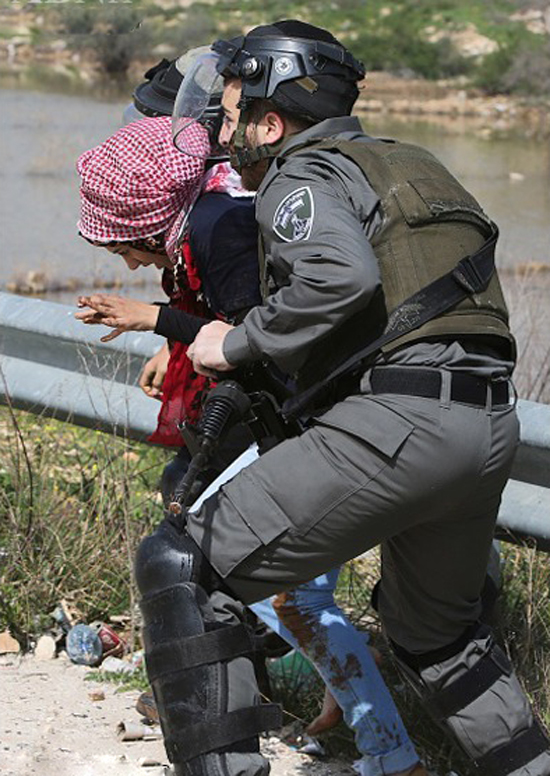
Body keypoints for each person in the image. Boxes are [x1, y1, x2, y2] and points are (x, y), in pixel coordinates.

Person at [131, 18, 550, 776]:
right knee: (442, 638)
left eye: (230, 119)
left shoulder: (301, 173)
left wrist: (237, 340)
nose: (223, 138)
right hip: (485, 423)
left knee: (182, 566)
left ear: (270, 120)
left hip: (400, 424)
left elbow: (337, 279)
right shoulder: (409, 162)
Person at [76, 76, 429, 776]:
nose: (123, 260)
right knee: (281, 592)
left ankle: (331, 736)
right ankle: (367, 733)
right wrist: (166, 334)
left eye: (122, 243)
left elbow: (252, 337)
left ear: (150, 217)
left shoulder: (217, 229)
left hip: (319, 423)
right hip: (320, 418)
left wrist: (158, 320)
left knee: (220, 569)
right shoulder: (206, 222)